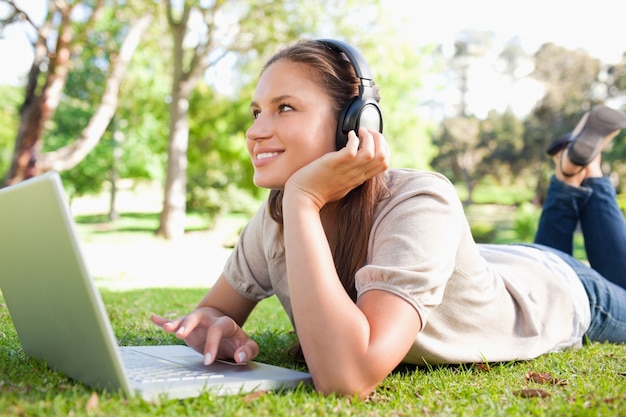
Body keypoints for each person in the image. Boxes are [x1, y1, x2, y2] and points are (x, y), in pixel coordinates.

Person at [151, 39, 626, 398]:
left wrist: (302, 199)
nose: (256, 131)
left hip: (564, 292)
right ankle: (569, 177)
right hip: (506, 265)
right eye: (256, 112)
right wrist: (212, 325)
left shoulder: (420, 199)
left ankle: (586, 177)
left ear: (356, 125)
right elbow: (214, 309)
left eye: (285, 108)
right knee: (554, 243)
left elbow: (349, 376)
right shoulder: (272, 219)